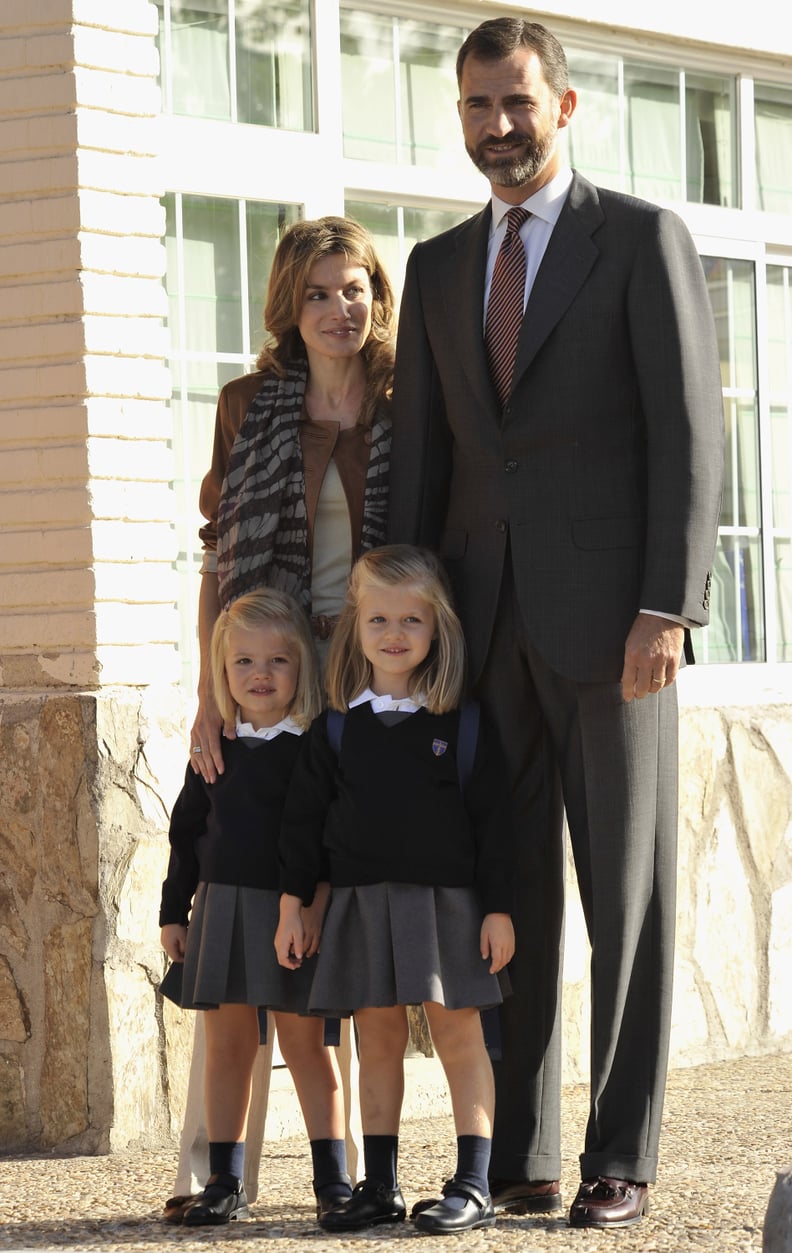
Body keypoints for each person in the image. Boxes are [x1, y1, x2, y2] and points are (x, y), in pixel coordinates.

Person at [386, 16, 725, 1231]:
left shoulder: (638, 240)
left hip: (615, 632)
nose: (495, 127)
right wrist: (410, 631)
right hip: (481, 637)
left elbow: (690, 434)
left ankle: (621, 1155)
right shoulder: (432, 270)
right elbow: (420, 466)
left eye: (516, 103)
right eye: (476, 106)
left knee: (626, 899)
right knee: (505, 895)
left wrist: (665, 606)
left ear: (564, 107)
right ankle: (519, 1152)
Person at [164, 216, 396, 1219]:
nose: (338, 309)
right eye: (317, 292)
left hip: (380, 667)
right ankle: (220, 1174)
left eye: (355, 289)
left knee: (334, 907)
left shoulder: (408, 397)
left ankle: (347, 1169)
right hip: (276, 664)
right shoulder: (248, 405)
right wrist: (213, 693)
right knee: (246, 918)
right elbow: (221, 560)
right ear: (285, 306)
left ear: (377, 297)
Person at [275, 544, 515, 1236]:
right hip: (359, 903)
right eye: (378, 618)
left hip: (449, 906)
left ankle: (473, 1183)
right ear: (356, 624)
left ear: (438, 626)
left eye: (412, 618)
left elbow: (495, 822)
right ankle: (379, 1183)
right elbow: (304, 824)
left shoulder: (462, 723)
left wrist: (498, 908)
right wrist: (296, 903)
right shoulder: (338, 727)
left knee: (458, 1036)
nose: (395, 633)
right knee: (375, 1041)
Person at [160, 589, 352, 1226]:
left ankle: (334, 1180)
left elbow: (326, 838)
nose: (260, 675)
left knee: (306, 1048)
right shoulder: (214, 750)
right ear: (221, 673)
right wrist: (173, 912)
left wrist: (311, 908)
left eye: (277, 661)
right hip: (220, 912)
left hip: (287, 915)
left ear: (303, 668)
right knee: (228, 1049)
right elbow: (186, 834)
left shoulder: (313, 746)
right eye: (243, 663)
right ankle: (224, 1179)